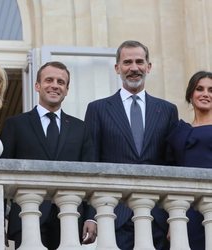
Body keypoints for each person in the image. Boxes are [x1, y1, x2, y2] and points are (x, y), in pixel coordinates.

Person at [84, 40, 179, 250]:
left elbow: (172, 166)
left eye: (139, 62)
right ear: (117, 68)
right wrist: (91, 216)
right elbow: (91, 165)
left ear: (148, 66)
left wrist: (174, 217)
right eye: (127, 62)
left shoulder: (167, 111)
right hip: (114, 216)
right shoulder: (98, 109)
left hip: (157, 216)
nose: (134, 68)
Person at [0, 61, 97, 249]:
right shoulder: (16, 124)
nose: (55, 85)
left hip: (70, 216)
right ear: (37, 85)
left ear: (67, 90)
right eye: (49, 80)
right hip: (27, 215)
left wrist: (92, 217)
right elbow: (3, 175)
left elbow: (91, 175)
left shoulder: (81, 129)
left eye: (61, 82)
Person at [166, 70, 212, 250]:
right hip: (186, 209)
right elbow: (171, 171)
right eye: (199, 89)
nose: (205, 94)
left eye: (211, 90)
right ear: (190, 95)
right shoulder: (179, 130)